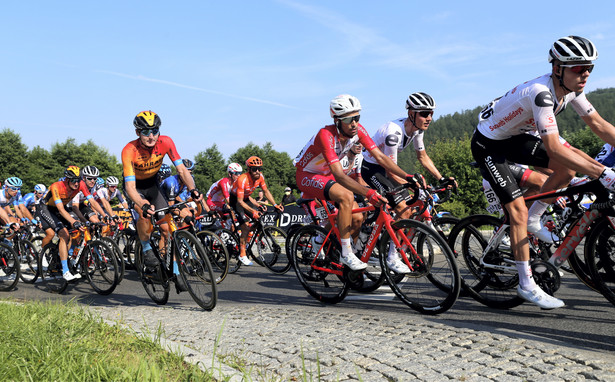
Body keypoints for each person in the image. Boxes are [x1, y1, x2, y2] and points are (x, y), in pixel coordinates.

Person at [471, 35, 615, 309]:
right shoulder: (542, 93)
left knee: (569, 169)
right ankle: (526, 285)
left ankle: (534, 219)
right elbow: (553, 147)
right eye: (577, 68)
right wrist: (603, 174)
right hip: (488, 145)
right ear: (557, 68)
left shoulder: (572, 90)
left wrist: (599, 170)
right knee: (517, 211)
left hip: (514, 137)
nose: (585, 74)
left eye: (589, 68)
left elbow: (598, 124)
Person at [293, 94, 421, 272]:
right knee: (346, 196)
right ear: (337, 120)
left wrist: (407, 176)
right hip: (307, 175)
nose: (354, 123)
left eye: (357, 117)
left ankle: (329, 245)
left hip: (326, 175)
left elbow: (380, 157)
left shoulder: (358, 131)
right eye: (348, 119)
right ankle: (346, 254)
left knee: (357, 216)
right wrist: (368, 192)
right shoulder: (326, 135)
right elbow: (339, 175)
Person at [121, 110, 203, 277]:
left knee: (166, 229)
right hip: (136, 187)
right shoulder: (129, 150)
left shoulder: (166, 142)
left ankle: (172, 270)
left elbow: (182, 170)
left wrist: (193, 189)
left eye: (155, 131)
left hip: (153, 184)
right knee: (144, 214)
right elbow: (130, 187)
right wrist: (142, 204)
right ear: (138, 132)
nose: (151, 136)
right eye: (145, 132)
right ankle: (145, 249)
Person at [362, 92, 456, 189]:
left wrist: (441, 179)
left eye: (431, 114)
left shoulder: (418, 130)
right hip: (371, 167)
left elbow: (422, 157)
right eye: (424, 114)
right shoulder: (393, 135)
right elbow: (391, 171)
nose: (429, 118)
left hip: (387, 168)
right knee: (401, 203)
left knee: (412, 199)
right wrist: (416, 188)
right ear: (411, 114)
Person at [38, 166, 103, 281]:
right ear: (67, 180)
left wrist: (105, 215)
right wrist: (74, 222)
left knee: (75, 232)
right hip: (47, 209)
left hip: (60, 209)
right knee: (64, 234)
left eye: (78, 180)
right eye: (73, 180)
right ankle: (65, 271)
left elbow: (92, 201)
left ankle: (62, 256)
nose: (77, 184)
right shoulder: (56, 186)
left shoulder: (81, 184)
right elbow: (61, 209)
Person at [230, 156, 284, 266]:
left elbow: (266, 191)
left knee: (258, 218)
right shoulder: (242, 179)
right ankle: (242, 254)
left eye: (259, 168)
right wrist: (253, 211)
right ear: (249, 169)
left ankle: (246, 240)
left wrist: (275, 204)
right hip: (236, 201)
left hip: (247, 199)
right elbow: (240, 201)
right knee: (245, 226)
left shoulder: (260, 177)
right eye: (254, 169)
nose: (257, 171)